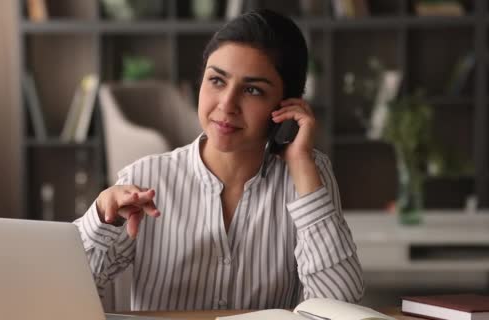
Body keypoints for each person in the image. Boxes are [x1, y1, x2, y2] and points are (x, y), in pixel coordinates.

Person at [74, 9, 364, 311]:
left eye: (252, 90)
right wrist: (101, 218)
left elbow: (340, 306)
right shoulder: (146, 178)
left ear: (287, 105)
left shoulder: (307, 175)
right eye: (216, 80)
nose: (227, 104)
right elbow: (64, 289)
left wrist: (302, 166)